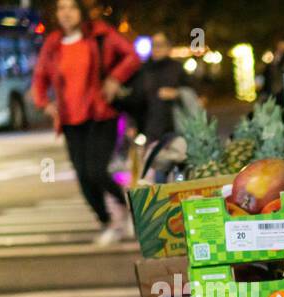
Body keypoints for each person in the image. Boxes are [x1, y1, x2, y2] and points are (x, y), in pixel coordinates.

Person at [31, 0, 140, 245]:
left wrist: (114, 78)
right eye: (61, 8)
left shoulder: (101, 34)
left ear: (81, 12)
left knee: (96, 170)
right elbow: (39, 79)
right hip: (70, 120)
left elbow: (132, 56)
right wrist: (45, 104)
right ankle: (107, 222)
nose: (66, 13)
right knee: (82, 176)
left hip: (101, 114)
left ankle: (129, 210)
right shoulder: (53, 43)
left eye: (71, 7)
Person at [129, 33, 190, 144]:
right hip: (150, 131)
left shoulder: (177, 68)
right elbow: (135, 100)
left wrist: (176, 93)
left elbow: (192, 93)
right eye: (154, 45)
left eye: (160, 45)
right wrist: (133, 125)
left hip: (176, 128)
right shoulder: (143, 70)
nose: (157, 49)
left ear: (168, 47)